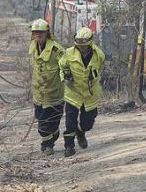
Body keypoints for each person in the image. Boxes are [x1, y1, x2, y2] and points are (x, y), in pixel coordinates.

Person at [59, 26, 105, 157]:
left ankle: (81, 132)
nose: (81, 48)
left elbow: (99, 70)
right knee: (70, 122)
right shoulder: (68, 53)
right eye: (79, 45)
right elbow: (61, 67)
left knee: (87, 124)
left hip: (90, 95)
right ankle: (69, 146)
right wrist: (65, 77)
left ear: (90, 43)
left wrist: (93, 77)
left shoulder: (99, 55)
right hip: (73, 93)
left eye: (84, 46)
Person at [28, 18, 64, 155]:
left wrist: (67, 74)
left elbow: (66, 64)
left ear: (47, 33)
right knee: (42, 123)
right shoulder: (33, 47)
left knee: (53, 122)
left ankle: (50, 140)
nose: (38, 35)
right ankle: (48, 144)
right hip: (39, 94)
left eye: (41, 32)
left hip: (55, 94)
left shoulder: (56, 50)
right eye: (35, 33)